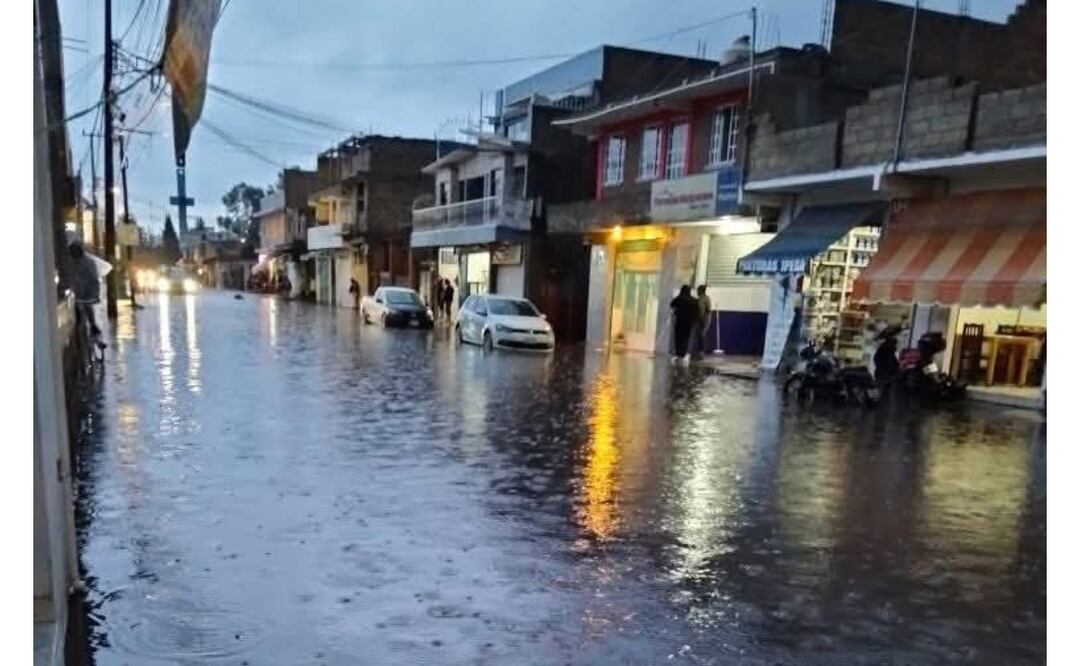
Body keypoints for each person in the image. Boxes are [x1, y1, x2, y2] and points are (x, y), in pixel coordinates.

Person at [68, 242, 105, 345]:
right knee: (78, 314)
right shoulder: (70, 262)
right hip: (76, 293)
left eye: (75, 252)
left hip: (87, 292)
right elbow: (70, 277)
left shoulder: (88, 262)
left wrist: (94, 295)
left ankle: (94, 329)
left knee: (88, 309)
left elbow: (94, 279)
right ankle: (81, 337)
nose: (73, 255)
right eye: (72, 253)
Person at [669, 284, 698, 361]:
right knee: (686, 338)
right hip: (689, 322)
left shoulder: (679, 298)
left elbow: (671, 305)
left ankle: (678, 353)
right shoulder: (693, 300)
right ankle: (684, 353)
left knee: (678, 337)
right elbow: (696, 311)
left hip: (679, 321)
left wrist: (676, 311)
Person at [694, 285, 712, 357]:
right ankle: (700, 351)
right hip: (706, 319)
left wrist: (699, 318)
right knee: (701, 336)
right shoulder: (707, 298)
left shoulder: (702, 299)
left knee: (701, 335)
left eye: (698, 290)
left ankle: (700, 352)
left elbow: (701, 310)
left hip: (703, 320)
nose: (697, 292)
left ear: (701, 291)